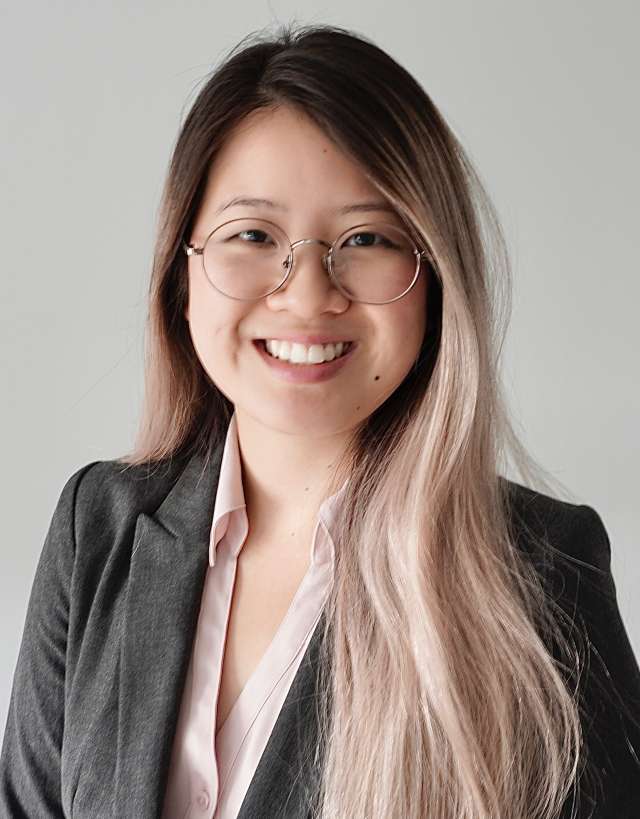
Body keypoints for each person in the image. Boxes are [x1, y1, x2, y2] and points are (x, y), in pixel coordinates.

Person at [1, 21, 639, 819]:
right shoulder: (97, 531)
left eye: (366, 238)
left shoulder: (544, 575)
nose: (307, 293)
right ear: (182, 273)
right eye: (253, 235)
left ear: (434, 277)